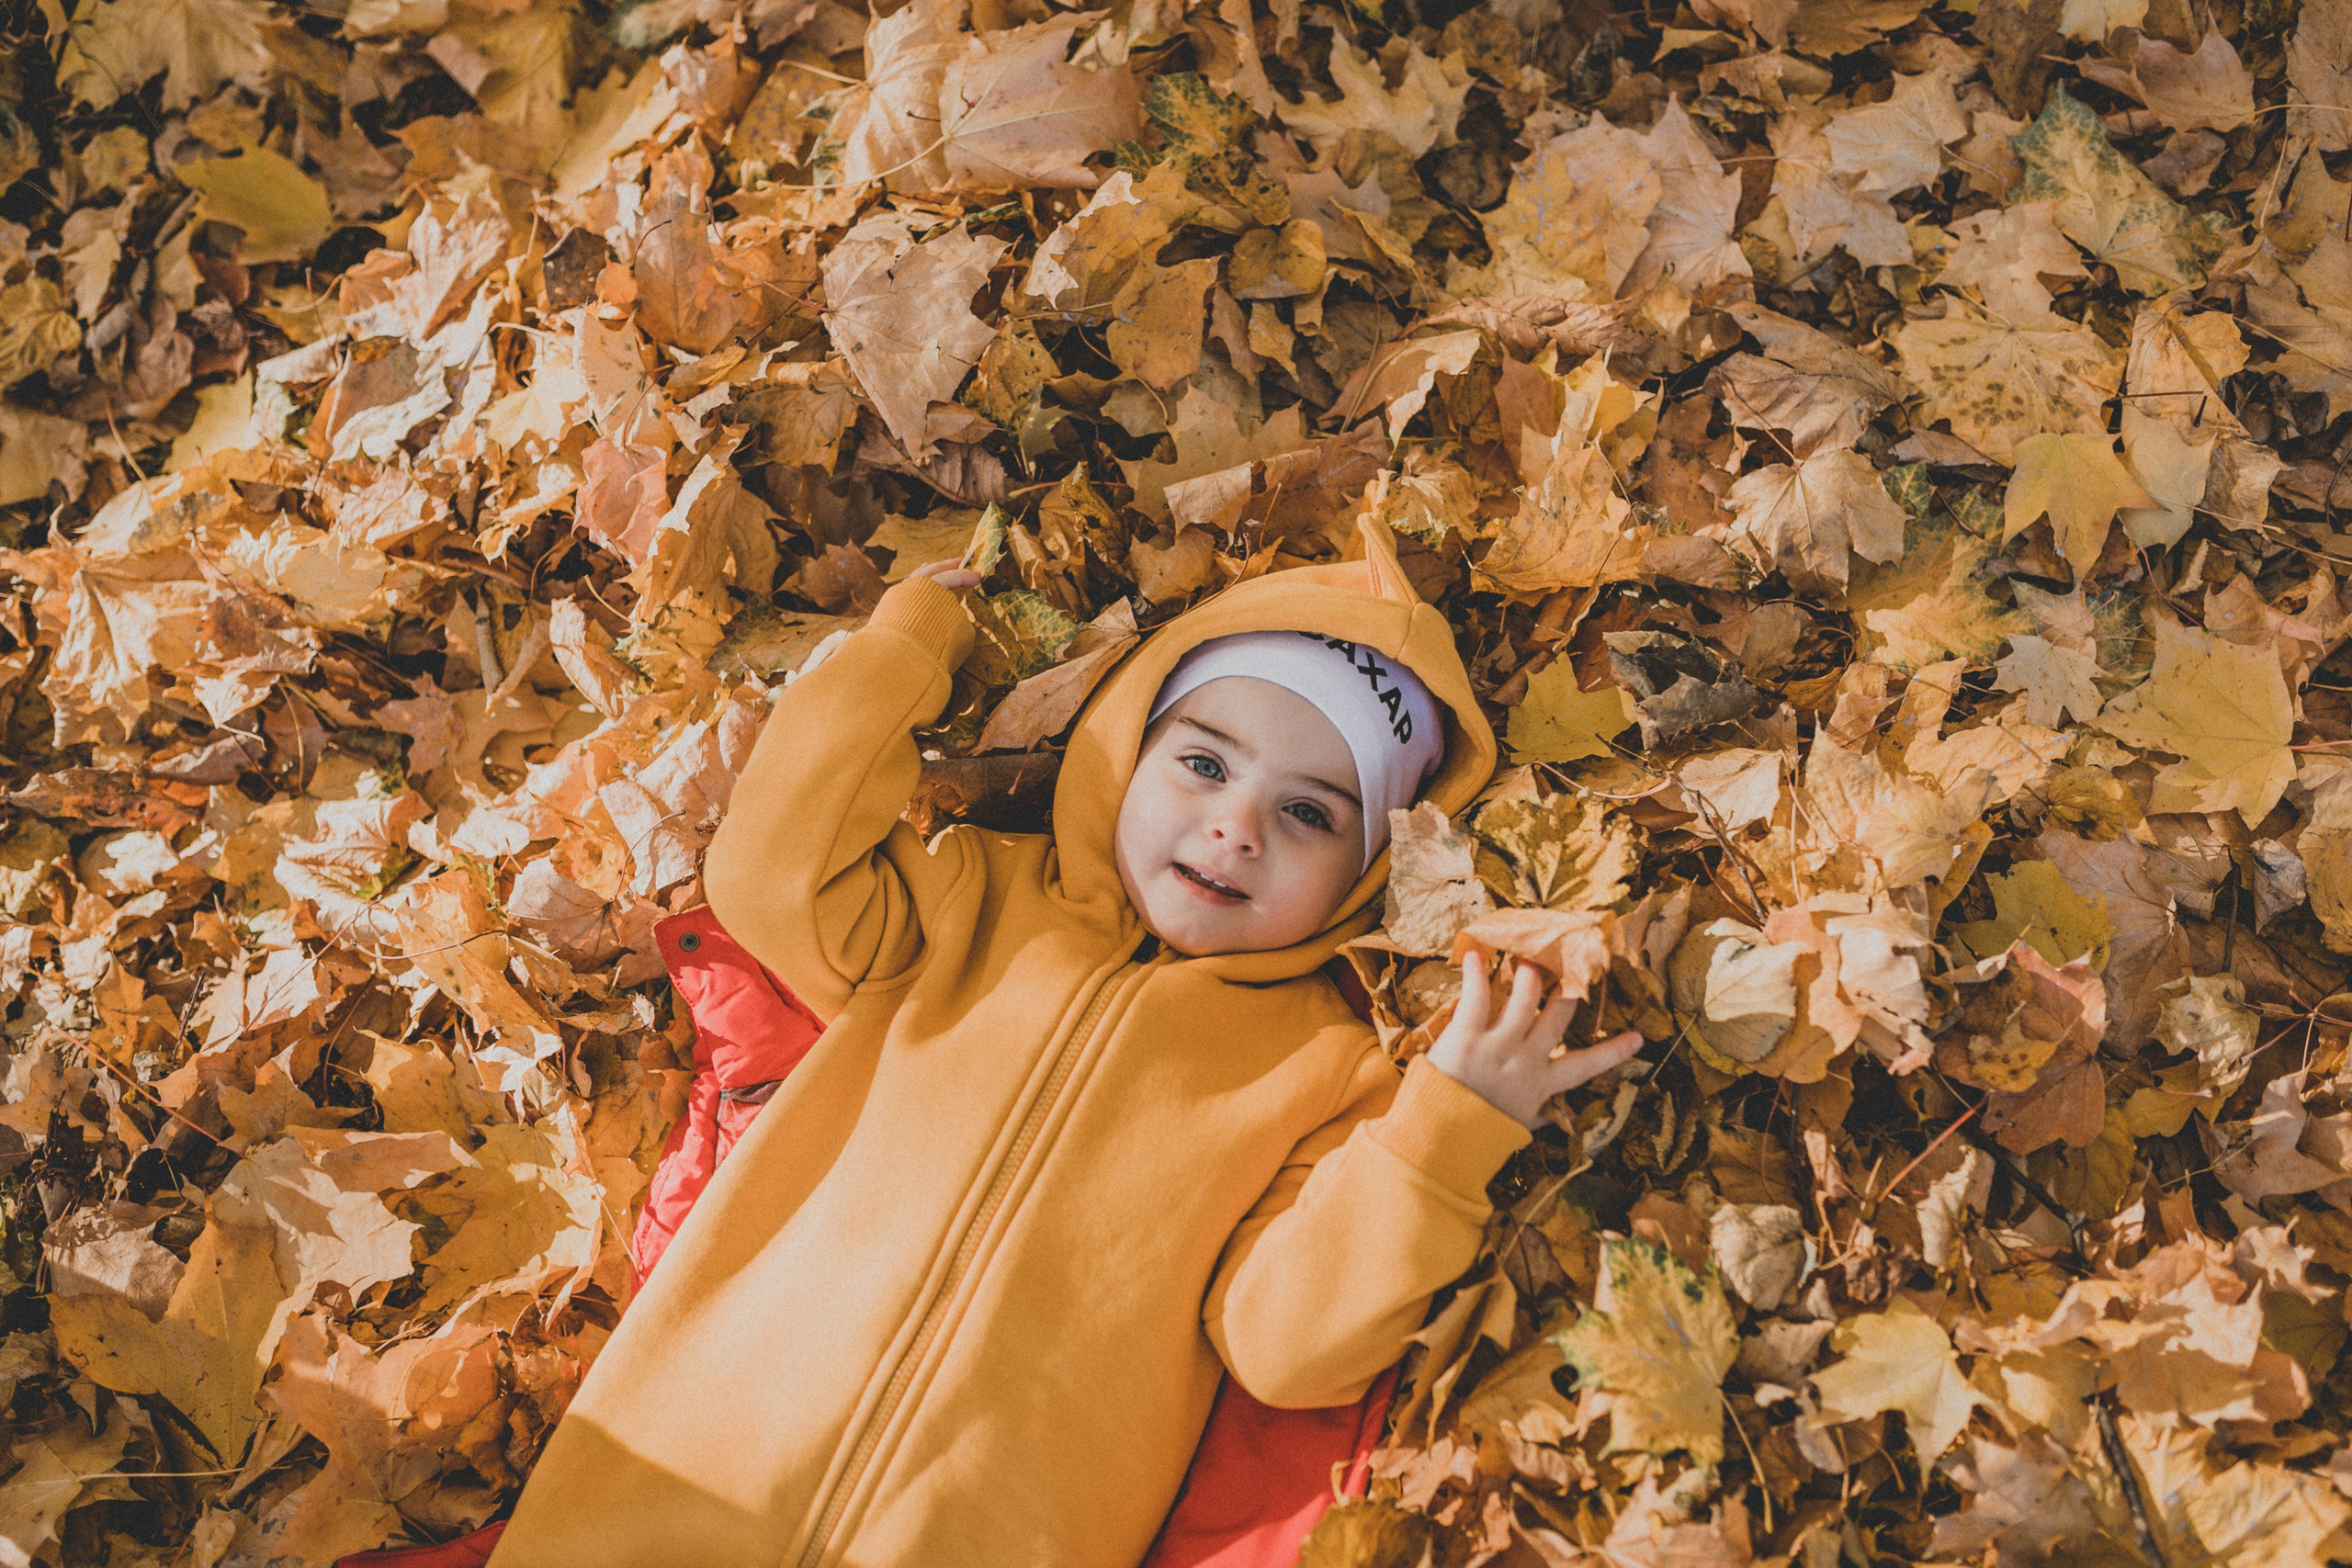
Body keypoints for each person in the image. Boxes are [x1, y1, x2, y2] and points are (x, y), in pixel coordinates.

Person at [486, 520, 1644, 1568]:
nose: (1235, 826)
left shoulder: (1327, 1071)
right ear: (1125, 754)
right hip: (662, 1484)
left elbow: (1287, 1349)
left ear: (1367, 871)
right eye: (1204, 764)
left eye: (1308, 814)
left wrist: (1447, 1129)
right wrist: (903, 652)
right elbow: (768, 875)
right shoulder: (970, 901)